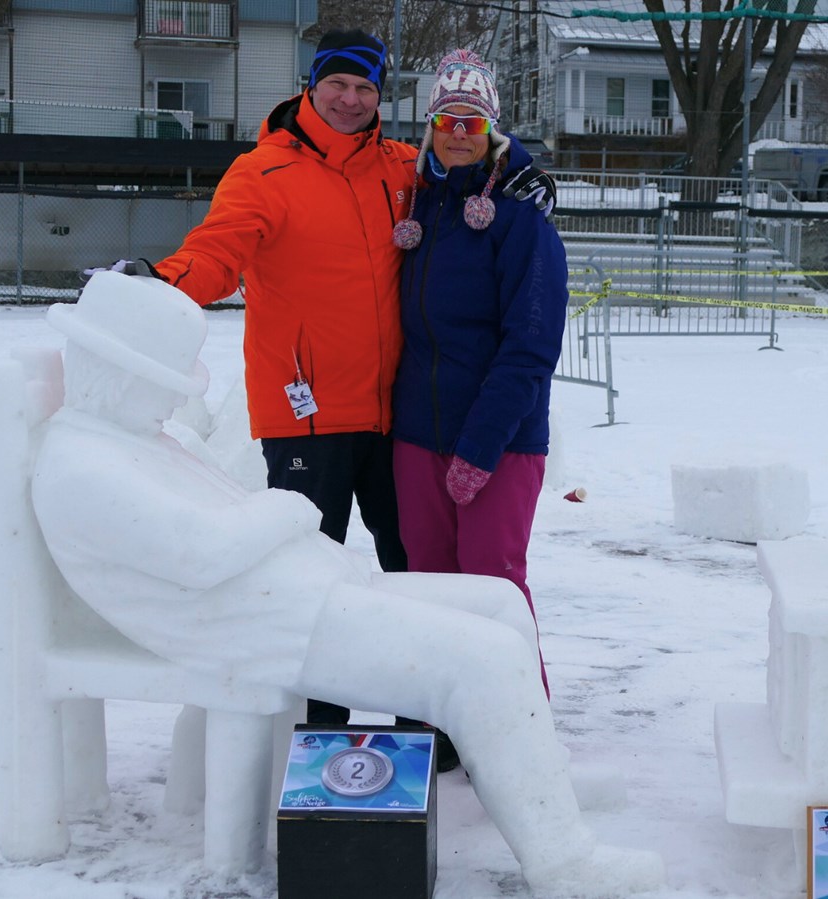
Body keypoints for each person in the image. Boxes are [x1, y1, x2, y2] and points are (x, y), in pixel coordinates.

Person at [31, 271, 664, 897]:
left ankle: (541, 781)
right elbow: (203, 552)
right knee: (485, 662)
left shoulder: (132, 438)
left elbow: (220, 530)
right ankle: (564, 862)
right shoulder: (85, 466)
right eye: (166, 386)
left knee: (499, 605)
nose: (176, 402)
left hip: (299, 589)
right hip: (260, 624)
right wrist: (288, 508)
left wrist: (283, 528)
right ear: (120, 374)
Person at [100, 29, 554, 731]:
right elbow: (217, 252)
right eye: (337, 84)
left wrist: (523, 169)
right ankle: (319, 727)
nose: (350, 99)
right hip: (306, 415)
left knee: (416, 576)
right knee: (308, 578)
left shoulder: (399, 167)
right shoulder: (262, 172)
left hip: (396, 416)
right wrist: (162, 281)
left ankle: (426, 726)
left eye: (365, 87)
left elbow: (468, 145)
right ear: (311, 86)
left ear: (380, 96)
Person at [388, 50, 569, 696]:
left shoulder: (521, 220)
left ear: (492, 128)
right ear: (431, 126)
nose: (458, 133)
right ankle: (445, 720)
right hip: (418, 437)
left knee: (493, 586)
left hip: (500, 442)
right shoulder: (422, 207)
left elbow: (531, 347)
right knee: (430, 585)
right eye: (447, 120)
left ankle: (519, 724)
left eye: (472, 121)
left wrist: (481, 447)